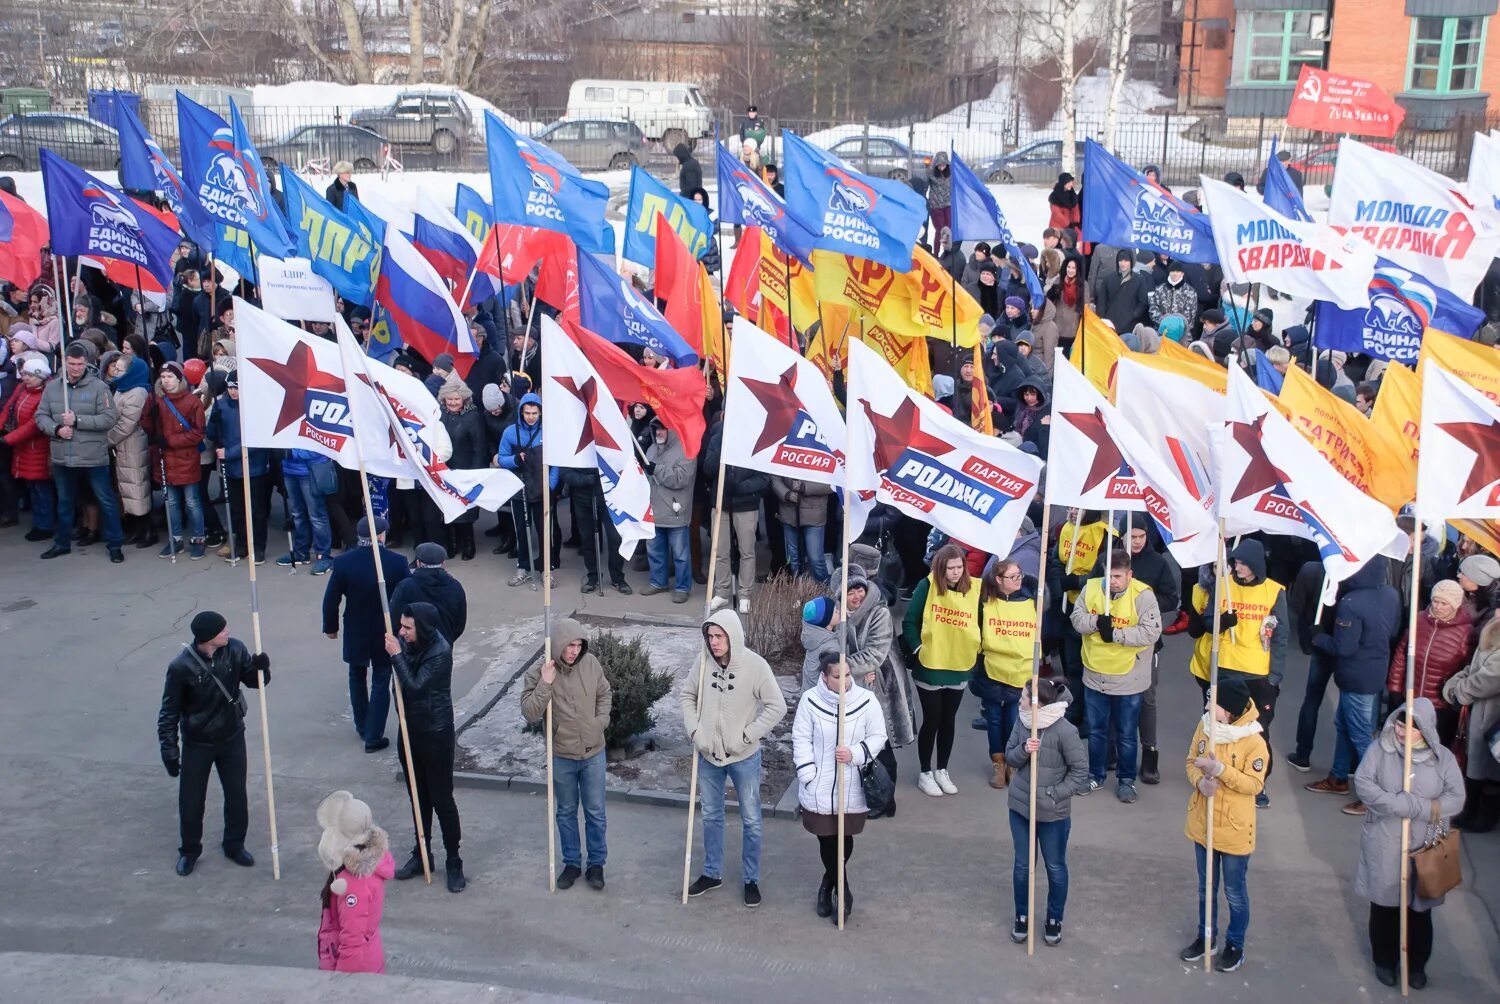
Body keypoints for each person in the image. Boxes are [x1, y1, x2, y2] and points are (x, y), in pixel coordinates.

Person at [1354, 700, 1465, 989]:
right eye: (1400, 724)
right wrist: (1396, 804)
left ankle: (1416, 965)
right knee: (1385, 907)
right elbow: (1365, 785)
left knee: (1420, 910)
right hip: (1386, 841)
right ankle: (1385, 960)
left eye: (1410, 727)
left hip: (1425, 845)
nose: (1402, 731)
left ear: (1424, 730)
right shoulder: (1381, 749)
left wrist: (1417, 807)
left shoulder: (1443, 759)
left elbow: (1456, 798)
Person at [681, 610, 787, 907]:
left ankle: (751, 878)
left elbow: (776, 706)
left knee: (751, 819)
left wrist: (747, 736)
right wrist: (695, 732)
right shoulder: (702, 662)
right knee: (711, 816)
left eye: (719, 636)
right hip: (708, 755)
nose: (714, 642)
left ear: (733, 636)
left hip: (743, 757)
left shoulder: (755, 666)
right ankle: (712, 872)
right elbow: (686, 695)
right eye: (710, 636)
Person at [157, 610, 271, 876]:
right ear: (209, 638)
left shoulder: (235, 650)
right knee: (192, 800)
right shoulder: (181, 667)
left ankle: (234, 844)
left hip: (232, 736)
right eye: (222, 630)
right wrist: (170, 750)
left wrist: (262, 668)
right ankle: (189, 851)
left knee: (236, 794)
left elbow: (255, 683)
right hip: (198, 742)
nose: (227, 632)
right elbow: (168, 712)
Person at [1186, 540, 1288, 806]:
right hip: (1225, 670)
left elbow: (1281, 636)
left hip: (1258, 674)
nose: (1237, 567)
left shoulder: (1274, 591)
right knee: (1215, 729)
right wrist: (1220, 623)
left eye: (1242, 563)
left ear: (1256, 564)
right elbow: (1207, 622)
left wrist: (1275, 677)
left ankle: (1258, 784)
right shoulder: (1223, 585)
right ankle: (1213, 777)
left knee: (1258, 731)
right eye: (1235, 562)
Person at [792, 650, 889, 923]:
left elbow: (878, 735)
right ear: (825, 676)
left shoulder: (866, 701)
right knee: (826, 838)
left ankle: (828, 883)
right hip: (819, 785)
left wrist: (856, 753)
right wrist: (807, 772)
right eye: (838, 676)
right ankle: (842, 889)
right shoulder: (810, 701)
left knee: (844, 838)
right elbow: (800, 738)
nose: (845, 680)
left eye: (847, 674)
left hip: (852, 785)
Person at [1179, 679, 1268, 973]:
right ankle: (1206, 938)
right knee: (1206, 889)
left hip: (1234, 829)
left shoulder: (1254, 742)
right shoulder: (1205, 726)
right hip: (1203, 822)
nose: (1206, 707)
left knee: (1234, 892)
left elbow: (1254, 785)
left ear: (1228, 710)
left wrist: (1221, 771)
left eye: (1212, 703)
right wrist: (1200, 782)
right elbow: (1192, 761)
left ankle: (1235, 945)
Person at [521, 617, 613, 891]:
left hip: (593, 751)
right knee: (566, 811)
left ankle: (596, 864)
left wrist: (600, 723)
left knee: (595, 812)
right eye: (569, 645)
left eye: (578, 645)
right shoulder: (540, 672)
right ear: (558, 645)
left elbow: (604, 693)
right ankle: (571, 863)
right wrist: (545, 683)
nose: (574, 651)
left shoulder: (591, 664)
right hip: (562, 754)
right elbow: (530, 713)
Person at [1305, 559, 1402, 815]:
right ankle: (1338, 777)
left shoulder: (1351, 602)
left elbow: (1344, 647)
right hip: (1376, 670)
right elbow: (1393, 631)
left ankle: (1373, 795)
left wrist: (1318, 636)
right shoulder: (1391, 594)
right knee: (1347, 726)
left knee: (1360, 736)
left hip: (1355, 675)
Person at [383, 602, 466, 892]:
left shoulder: (440, 652)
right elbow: (400, 683)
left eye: (407, 627)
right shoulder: (407, 644)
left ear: (423, 628)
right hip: (410, 730)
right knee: (417, 797)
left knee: (441, 798)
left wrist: (395, 656)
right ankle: (422, 853)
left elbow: (415, 685)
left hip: (436, 732)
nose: (401, 632)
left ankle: (454, 860)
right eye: (401, 626)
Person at [1070, 548, 1162, 802]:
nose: (1111, 581)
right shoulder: (1091, 589)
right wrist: (1095, 622)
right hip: (1095, 672)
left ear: (1129, 575)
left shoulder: (1143, 595)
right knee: (1097, 731)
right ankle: (1095, 775)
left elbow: (1150, 633)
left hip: (1128, 677)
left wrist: (1117, 635)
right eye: (1108, 575)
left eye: (1118, 576)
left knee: (1126, 732)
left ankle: (1126, 780)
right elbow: (1076, 618)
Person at [1005, 678, 1088, 947]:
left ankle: (1054, 918)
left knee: (1054, 866)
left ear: (1038, 702)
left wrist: (1054, 794)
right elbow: (1009, 757)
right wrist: (1023, 750)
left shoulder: (1065, 731)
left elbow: (1079, 772)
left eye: (1024, 697)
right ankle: (1022, 916)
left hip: (1053, 813)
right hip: (1020, 807)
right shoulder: (1022, 722)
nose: (1019, 701)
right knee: (1022, 866)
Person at [321, 516, 411, 753]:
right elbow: (408, 595)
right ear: (381, 535)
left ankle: (362, 725)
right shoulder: (397, 562)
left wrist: (331, 626)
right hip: (385, 628)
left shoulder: (344, 563)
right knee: (382, 679)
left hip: (356, 628)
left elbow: (332, 598)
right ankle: (373, 735)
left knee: (356, 674)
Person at [902, 543, 982, 797]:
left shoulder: (973, 589)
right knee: (932, 719)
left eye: (960, 567)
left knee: (949, 720)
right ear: (941, 568)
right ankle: (925, 771)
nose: (956, 573)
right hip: (931, 665)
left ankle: (942, 769)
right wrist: (918, 649)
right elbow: (909, 621)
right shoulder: (926, 587)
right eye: (951, 568)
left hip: (958, 665)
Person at [34, 342, 125, 562]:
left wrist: (78, 421)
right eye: (72, 364)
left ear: (87, 363)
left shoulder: (99, 387)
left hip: (93, 455)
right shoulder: (53, 387)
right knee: (65, 502)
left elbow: (109, 418)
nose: (76, 368)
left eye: (80, 364)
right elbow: (40, 416)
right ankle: (62, 543)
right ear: (65, 362)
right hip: (63, 455)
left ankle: (115, 545)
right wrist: (56, 428)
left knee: (105, 500)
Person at [1387, 579, 1475, 750]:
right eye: (1435, 601)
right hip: (1411, 698)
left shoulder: (1466, 632)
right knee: (1405, 747)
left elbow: (1468, 669)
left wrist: (1453, 695)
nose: (1438, 607)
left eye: (1444, 603)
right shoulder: (1418, 621)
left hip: (1440, 706)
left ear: (1456, 605)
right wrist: (1395, 687)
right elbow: (1401, 655)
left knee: (1433, 750)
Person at [316, 790, 394, 974]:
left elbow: (353, 941)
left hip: (356, 972)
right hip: (367, 960)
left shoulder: (353, 884)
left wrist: (340, 984)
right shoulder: (366, 865)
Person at [977, 559, 1035, 789]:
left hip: (1020, 672)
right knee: (993, 720)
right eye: (1012, 576)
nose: (1018, 579)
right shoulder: (985, 602)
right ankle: (998, 764)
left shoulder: (1032, 602)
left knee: (1013, 721)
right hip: (992, 671)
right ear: (998, 580)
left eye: (1019, 574)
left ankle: (1013, 764)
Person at [1441, 607, 1500, 832]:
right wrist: (1455, 684)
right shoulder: (1492, 631)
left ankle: (1485, 814)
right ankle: (1470, 809)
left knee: (1488, 765)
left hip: (1492, 714)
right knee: (1475, 763)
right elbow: (1472, 669)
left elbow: (1489, 679)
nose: (1496, 610)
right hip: (1480, 712)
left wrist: (1460, 690)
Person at [206, 370, 270, 564]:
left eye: (237, 388)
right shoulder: (221, 405)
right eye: (231, 387)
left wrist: (229, 453)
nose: (233, 392)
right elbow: (211, 434)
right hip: (233, 470)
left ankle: (258, 548)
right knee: (237, 510)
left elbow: (256, 440)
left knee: (257, 511)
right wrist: (214, 419)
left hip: (254, 468)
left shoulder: (255, 407)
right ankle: (242, 545)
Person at [496, 392, 558, 587]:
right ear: (521, 412)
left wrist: (551, 485)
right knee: (521, 533)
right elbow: (501, 458)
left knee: (544, 533)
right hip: (519, 491)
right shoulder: (510, 433)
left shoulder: (548, 432)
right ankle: (522, 568)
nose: (531, 416)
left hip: (542, 491)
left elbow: (556, 463)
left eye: (534, 413)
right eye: (527, 413)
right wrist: (515, 460)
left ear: (540, 413)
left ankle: (546, 571)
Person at [102, 353, 153, 547]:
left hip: (132, 445)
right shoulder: (123, 388)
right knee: (127, 488)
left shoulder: (138, 391)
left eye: (121, 369)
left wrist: (107, 440)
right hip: (122, 446)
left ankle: (147, 530)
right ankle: (135, 529)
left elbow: (127, 424)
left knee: (137, 487)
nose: (116, 372)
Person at [2, 357, 55, 543]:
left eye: (29, 375)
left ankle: (45, 525)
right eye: (24, 374)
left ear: (40, 376)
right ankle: (39, 522)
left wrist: (7, 439)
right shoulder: (22, 390)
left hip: (38, 448)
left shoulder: (46, 394)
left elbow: (34, 425)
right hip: (23, 447)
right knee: (33, 487)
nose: (24, 378)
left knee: (41, 488)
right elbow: (8, 409)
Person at [643, 418, 694, 603]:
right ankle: (658, 582)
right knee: (655, 551)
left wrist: (656, 469)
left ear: (672, 430)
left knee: (680, 554)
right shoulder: (650, 449)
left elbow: (681, 478)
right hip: (654, 510)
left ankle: (682, 587)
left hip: (675, 512)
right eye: (655, 429)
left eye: (663, 429)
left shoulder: (687, 450)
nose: (658, 432)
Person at [437, 376, 485, 561]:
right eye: (450, 399)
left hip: (466, 469)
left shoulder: (472, 416)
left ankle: (469, 543)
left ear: (463, 398)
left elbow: (479, 448)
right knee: (447, 509)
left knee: (465, 510)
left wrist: (474, 473)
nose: (453, 402)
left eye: (456, 399)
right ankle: (452, 544)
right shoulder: (440, 415)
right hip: (444, 470)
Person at [391, 541, 469, 650]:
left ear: (418, 563)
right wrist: (448, 639)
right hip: (444, 647)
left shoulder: (406, 586)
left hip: (412, 647)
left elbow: (394, 618)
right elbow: (459, 623)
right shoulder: (455, 587)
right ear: (442, 563)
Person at [279, 448, 335, 575]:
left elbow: (320, 445)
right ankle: (301, 552)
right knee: (297, 514)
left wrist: (291, 453)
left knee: (316, 516)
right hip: (289, 469)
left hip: (310, 470)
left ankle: (323, 556)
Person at [772, 475, 833, 584]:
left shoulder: (823, 458)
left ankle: (825, 594)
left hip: (814, 515)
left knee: (815, 560)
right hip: (789, 512)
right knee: (794, 560)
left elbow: (831, 485)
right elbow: (775, 478)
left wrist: (805, 487)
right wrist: (786, 494)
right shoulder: (785, 457)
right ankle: (799, 594)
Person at [1094, 248, 1150, 334]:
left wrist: (1133, 315)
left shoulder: (1139, 280)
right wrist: (1103, 320)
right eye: (1120, 260)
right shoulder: (1109, 279)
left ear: (1131, 261)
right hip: (1109, 325)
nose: (1123, 263)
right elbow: (1101, 302)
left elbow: (1142, 302)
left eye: (1126, 260)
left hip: (1129, 325)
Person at [1148, 260, 1198, 330]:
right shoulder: (1159, 289)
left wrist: (1175, 326)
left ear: (1182, 274)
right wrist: (1164, 323)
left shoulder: (1190, 291)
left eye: (1177, 272)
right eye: (1172, 271)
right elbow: (1153, 309)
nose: (1175, 274)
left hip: (1180, 332)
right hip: (1161, 330)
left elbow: (1190, 314)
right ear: (1169, 273)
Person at [927, 151, 952, 256]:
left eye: (944, 165)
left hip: (948, 204)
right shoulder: (931, 173)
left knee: (948, 230)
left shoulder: (951, 173)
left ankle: (947, 252)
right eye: (939, 165)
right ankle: (936, 254)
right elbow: (925, 183)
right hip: (936, 206)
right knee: (940, 230)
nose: (942, 167)